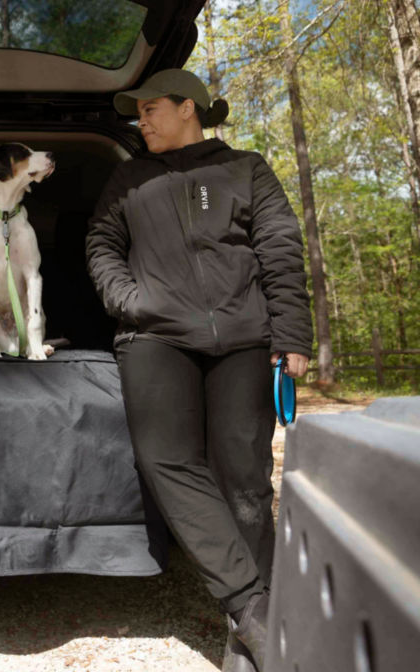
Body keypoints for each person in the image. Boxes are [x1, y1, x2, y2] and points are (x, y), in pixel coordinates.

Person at [85, 69, 312, 672]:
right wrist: (132, 302)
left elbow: (280, 247)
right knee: (166, 460)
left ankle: (244, 634)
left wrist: (290, 333)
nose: (142, 120)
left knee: (243, 478)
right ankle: (252, 610)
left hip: (243, 336)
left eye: (152, 108)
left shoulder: (246, 169)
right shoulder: (129, 177)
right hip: (155, 337)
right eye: (138, 112)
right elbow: (100, 244)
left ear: (190, 108)